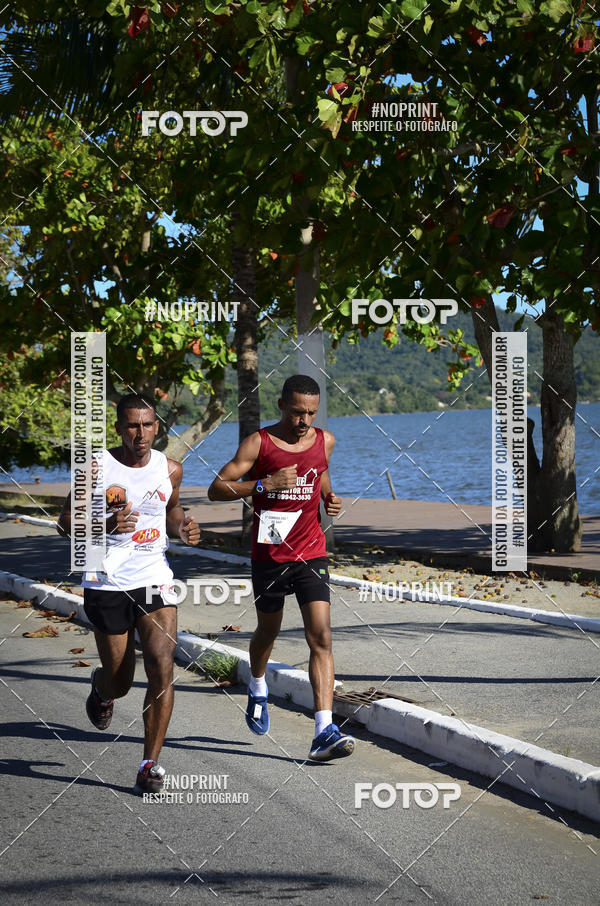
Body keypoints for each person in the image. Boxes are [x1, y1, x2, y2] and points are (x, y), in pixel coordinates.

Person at [58, 393, 200, 794]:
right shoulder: (94, 468)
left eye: (148, 425)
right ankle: (102, 690)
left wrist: (181, 528)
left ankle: (149, 764)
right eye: (133, 426)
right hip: (106, 581)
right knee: (121, 681)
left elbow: (171, 509)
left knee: (161, 662)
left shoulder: (170, 469)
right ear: (119, 428)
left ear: (157, 428)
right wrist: (104, 525)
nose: (141, 434)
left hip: (154, 575)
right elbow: (65, 524)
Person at [208, 374, 354, 761]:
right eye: (296, 412)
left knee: (320, 636)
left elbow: (319, 471)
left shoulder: (326, 441)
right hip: (270, 555)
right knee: (268, 630)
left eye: (310, 413)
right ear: (281, 406)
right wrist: (264, 484)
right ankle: (257, 685)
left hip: (310, 552)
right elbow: (217, 488)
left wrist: (329, 499)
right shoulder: (260, 442)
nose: (304, 420)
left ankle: (324, 729)